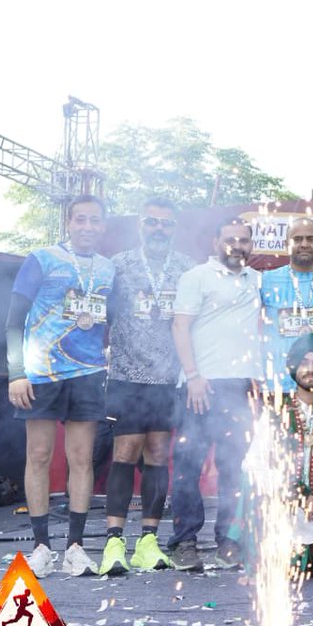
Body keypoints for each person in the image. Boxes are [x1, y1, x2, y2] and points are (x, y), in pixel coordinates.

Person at [6, 194, 114, 578]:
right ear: (68, 223)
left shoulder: (108, 269)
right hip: (41, 373)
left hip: (87, 373)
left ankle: (75, 548)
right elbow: (14, 320)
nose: (87, 227)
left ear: (104, 225)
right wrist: (16, 371)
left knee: (82, 459)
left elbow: (107, 322)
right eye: (80, 220)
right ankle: (40, 547)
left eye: (95, 220)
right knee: (38, 455)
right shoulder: (42, 258)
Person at [100, 197, 196, 575]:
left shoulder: (186, 269)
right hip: (125, 375)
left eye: (166, 224)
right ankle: (113, 542)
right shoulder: (119, 265)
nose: (159, 229)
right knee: (125, 452)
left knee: (158, 454)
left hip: (167, 379)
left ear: (175, 228)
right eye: (152, 223)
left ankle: (148, 542)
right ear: (141, 225)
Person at [235, 308, 313, 580]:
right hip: (284, 505)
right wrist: (296, 498)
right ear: (294, 368)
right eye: (304, 362)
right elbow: (254, 463)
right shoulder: (275, 413)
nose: (311, 369)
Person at [169, 216, 263, 572]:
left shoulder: (257, 280)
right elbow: (180, 326)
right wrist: (193, 376)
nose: (237, 245)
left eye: (243, 240)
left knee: (233, 467)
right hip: (200, 385)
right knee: (188, 466)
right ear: (215, 243)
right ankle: (185, 542)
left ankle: (229, 541)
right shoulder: (196, 278)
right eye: (230, 239)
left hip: (240, 387)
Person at [260, 217, 313, 395]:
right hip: (277, 388)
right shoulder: (265, 280)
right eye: (297, 239)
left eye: (310, 239)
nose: (304, 244)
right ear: (286, 244)